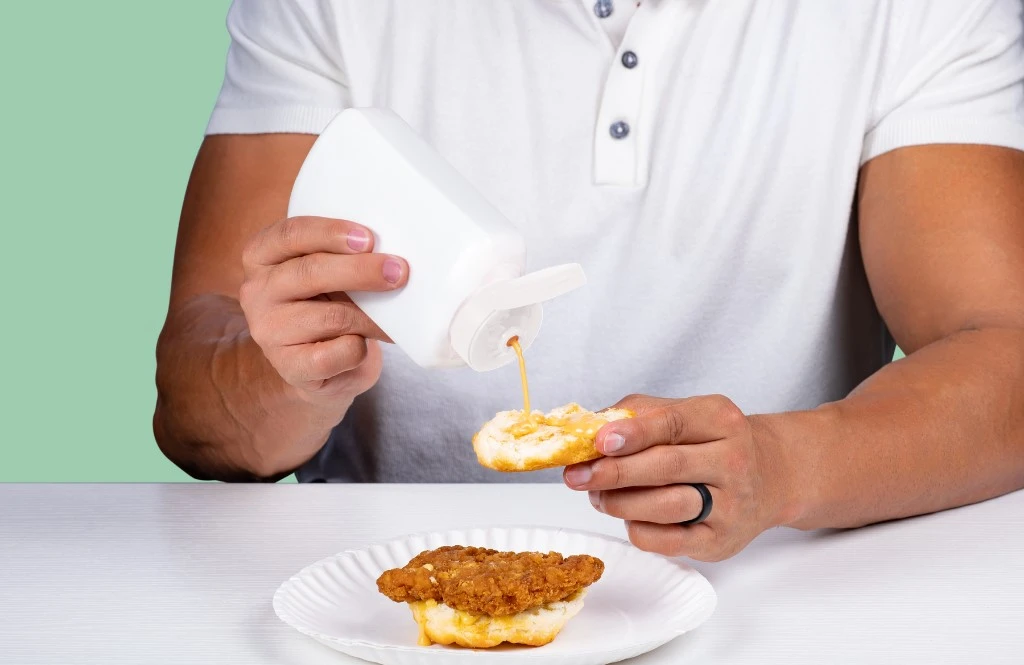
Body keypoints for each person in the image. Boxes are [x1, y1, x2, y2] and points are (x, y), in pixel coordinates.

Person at [154, 0, 1024, 562]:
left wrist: (783, 465)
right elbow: (192, 412)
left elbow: (1003, 355)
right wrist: (285, 374)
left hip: (773, 589)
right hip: (383, 598)